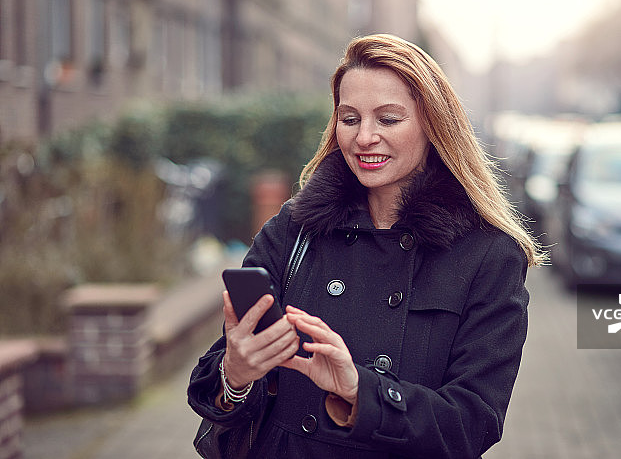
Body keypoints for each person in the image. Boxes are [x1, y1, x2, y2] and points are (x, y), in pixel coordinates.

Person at [188, 34, 543, 458]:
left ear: (434, 126)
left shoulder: (488, 254)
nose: (364, 138)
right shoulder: (296, 229)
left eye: (389, 119)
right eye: (350, 118)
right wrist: (237, 374)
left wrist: (360, 392)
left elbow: (472, 424)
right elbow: (212, 383)